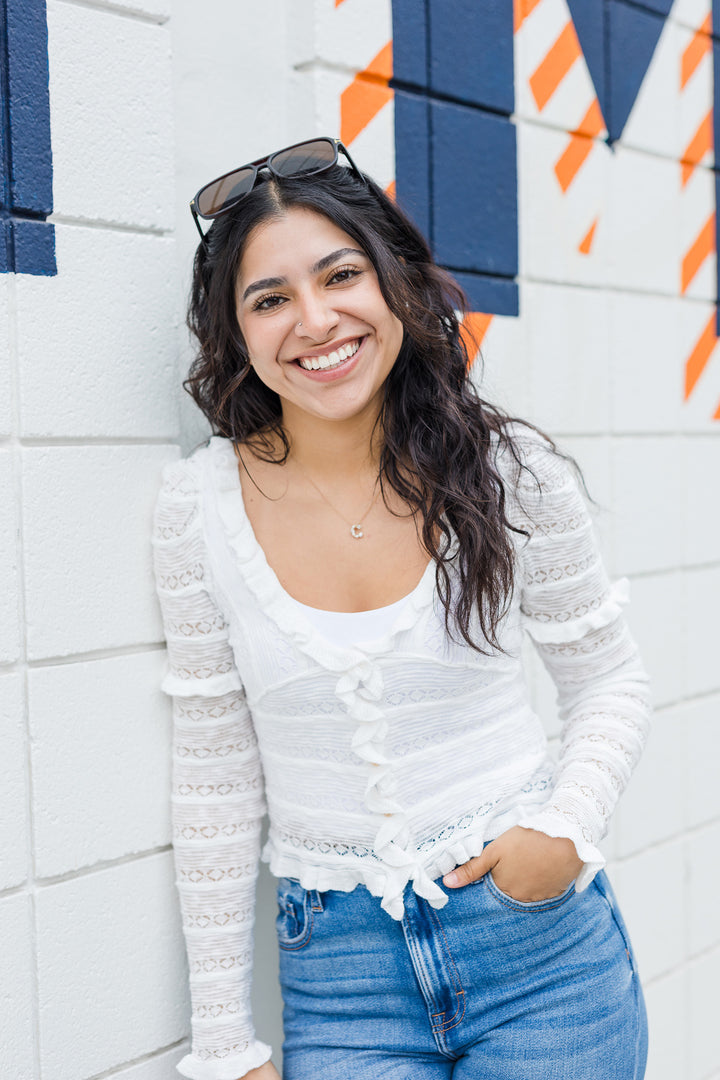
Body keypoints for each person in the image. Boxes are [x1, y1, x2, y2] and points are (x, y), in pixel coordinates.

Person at [152, 137, 651, 1080]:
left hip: (540, 957)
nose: (315, 320)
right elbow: (215, 770)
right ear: (236, 333)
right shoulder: (196, 511)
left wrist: (563, 831)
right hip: (341, 984)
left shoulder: (507, 472)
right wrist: (222, 1040)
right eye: (269, 299)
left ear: (395, 285)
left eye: (341, 275)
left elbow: (609, 677)